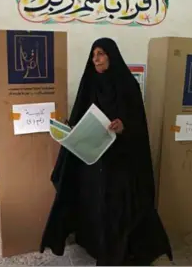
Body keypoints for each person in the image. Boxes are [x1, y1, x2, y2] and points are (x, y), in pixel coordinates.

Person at [40, 37, 173, 266]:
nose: (96, 59)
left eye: (100, 54)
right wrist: (70, 129)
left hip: (120, 159)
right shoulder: (89, 83)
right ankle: (95, 244)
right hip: (92, 158)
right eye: (93, 55)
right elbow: (80, 115)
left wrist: (123, 128)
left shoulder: (127, 85)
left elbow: (138, 125)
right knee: (92, 201)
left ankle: (119, 249)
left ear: (112, 55)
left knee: (117, 204)